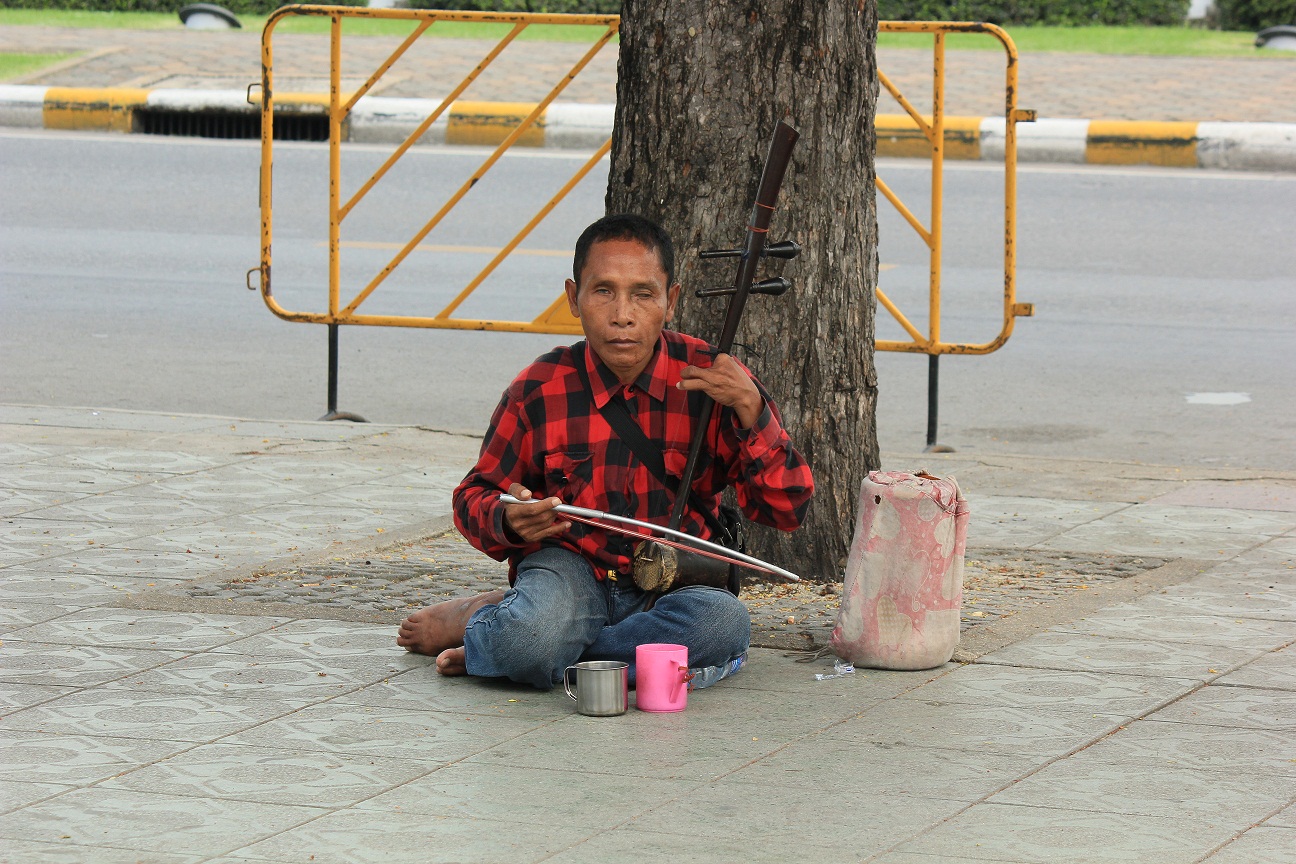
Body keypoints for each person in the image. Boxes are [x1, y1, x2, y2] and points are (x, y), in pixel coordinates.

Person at [396, 213, 813, 689]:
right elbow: (474, 495)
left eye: (643, 294)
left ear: (669, 300)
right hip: (569, 571)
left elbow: (787, 508)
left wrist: (752, 409)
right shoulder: (540, 386)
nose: (622, 315)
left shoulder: (713, 379)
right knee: (542, 631)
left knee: (724, 624)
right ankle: (530, 636)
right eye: (603, 291)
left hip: (672, 581)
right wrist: (509, 518)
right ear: (574, 298)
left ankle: (512, 641)